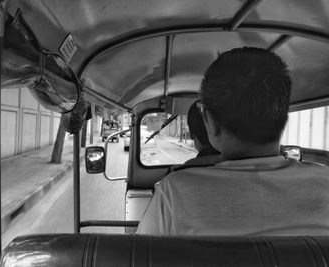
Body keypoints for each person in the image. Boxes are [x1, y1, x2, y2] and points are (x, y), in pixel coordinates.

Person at [137, 47, 329, 236]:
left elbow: (142, 257)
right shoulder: (324, 182)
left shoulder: (174, 192)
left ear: (211, 123)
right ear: (282, 116)